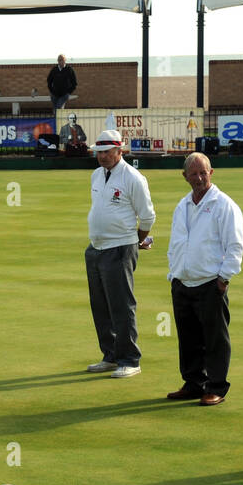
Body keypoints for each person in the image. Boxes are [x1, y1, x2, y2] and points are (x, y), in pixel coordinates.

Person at [164, 153, 243, 406]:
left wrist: (224, 279)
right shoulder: (182, 205)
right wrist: (173, 273)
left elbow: (235, 246)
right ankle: (193, 383)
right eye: (194, 173)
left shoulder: (224, 205)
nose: (199, 178)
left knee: (214, 339)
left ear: (211, 173)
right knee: (188, 338)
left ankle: (216, 386)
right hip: (182, 282)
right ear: (184, 176)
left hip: (210, 282)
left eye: (203, 172)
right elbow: (176, 242)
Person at [84, 129, 156, 379]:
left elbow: (147, 216)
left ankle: (130, 359)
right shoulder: (96, 175)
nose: (102, 156)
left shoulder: (133, 178)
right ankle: (111, 355)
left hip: (120, 247)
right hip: (96, 247)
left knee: (121, 305)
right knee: (100, 305)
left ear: (119, 151)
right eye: (98, 152)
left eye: (106, 152)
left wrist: (135, 241)